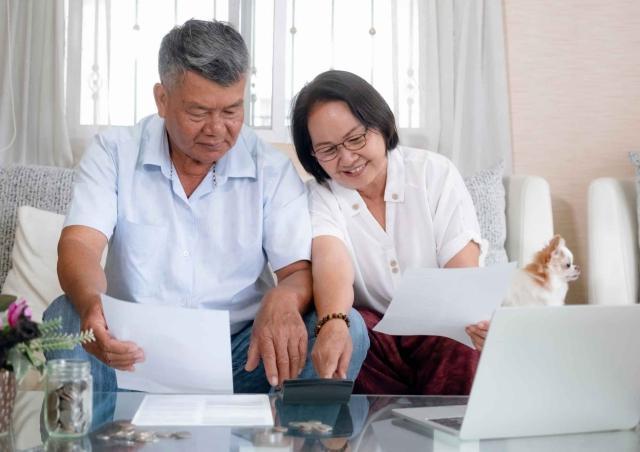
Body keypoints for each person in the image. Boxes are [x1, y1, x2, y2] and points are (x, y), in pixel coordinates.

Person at [43, 21, 368, 393]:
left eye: (231, 111)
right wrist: (91, 305)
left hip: (243, 357)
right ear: (162, 99)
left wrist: (284, 297)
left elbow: (297, 271)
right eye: (198, 112)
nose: (217, 129)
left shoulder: (270, 169)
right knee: (66, 318)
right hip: (131, 351)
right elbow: (80, 246)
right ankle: (106, 441)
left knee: (348, 327)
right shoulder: (114, 153)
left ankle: (296, 441)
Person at [291, 70, 488, 395]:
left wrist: (474, 321)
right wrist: (333, 322)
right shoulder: (320, 196)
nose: (347, 158)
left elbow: (462, 274)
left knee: (462, 341)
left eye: (356, 139)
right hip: (376, 339)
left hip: (439, 331)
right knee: (350, 329)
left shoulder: (433, 173)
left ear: (381, 124)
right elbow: (331, 261)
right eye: (327, 150)